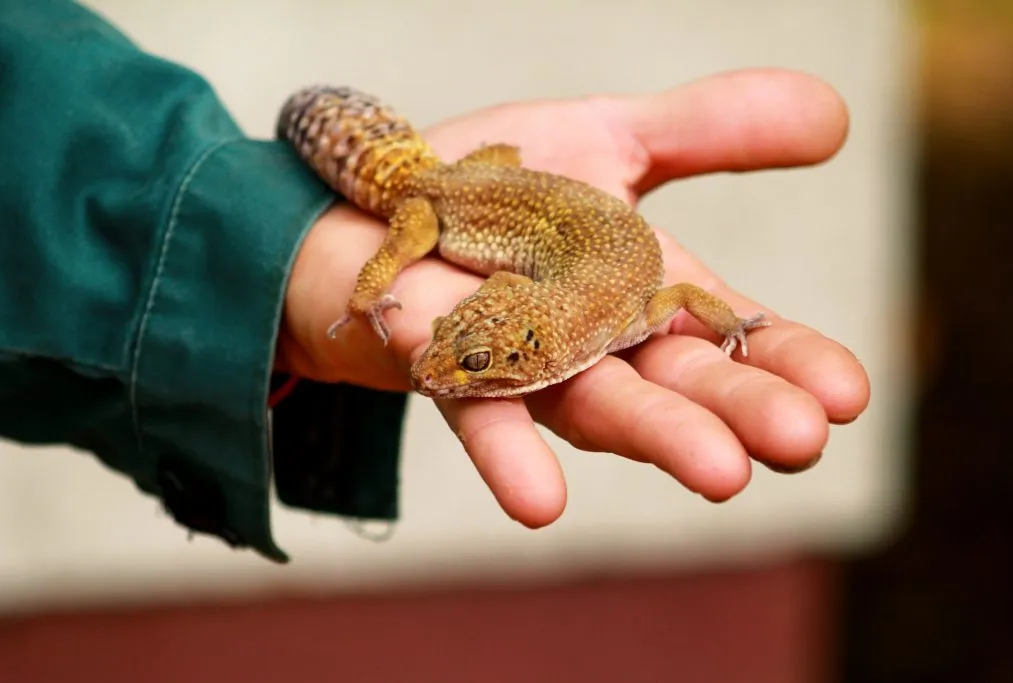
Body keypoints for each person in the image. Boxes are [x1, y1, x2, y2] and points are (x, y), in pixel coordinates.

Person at [0, 1, 869, 562]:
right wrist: (365, 283)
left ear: (534, 340)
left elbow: (679, 298)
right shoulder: (483, 247)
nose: (439, 369)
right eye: (468, 353)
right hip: (444, 186)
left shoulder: (620, 316)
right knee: (403, 223)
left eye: (475, 361)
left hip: (481, 188)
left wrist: (731, 323)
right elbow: (659, 301)